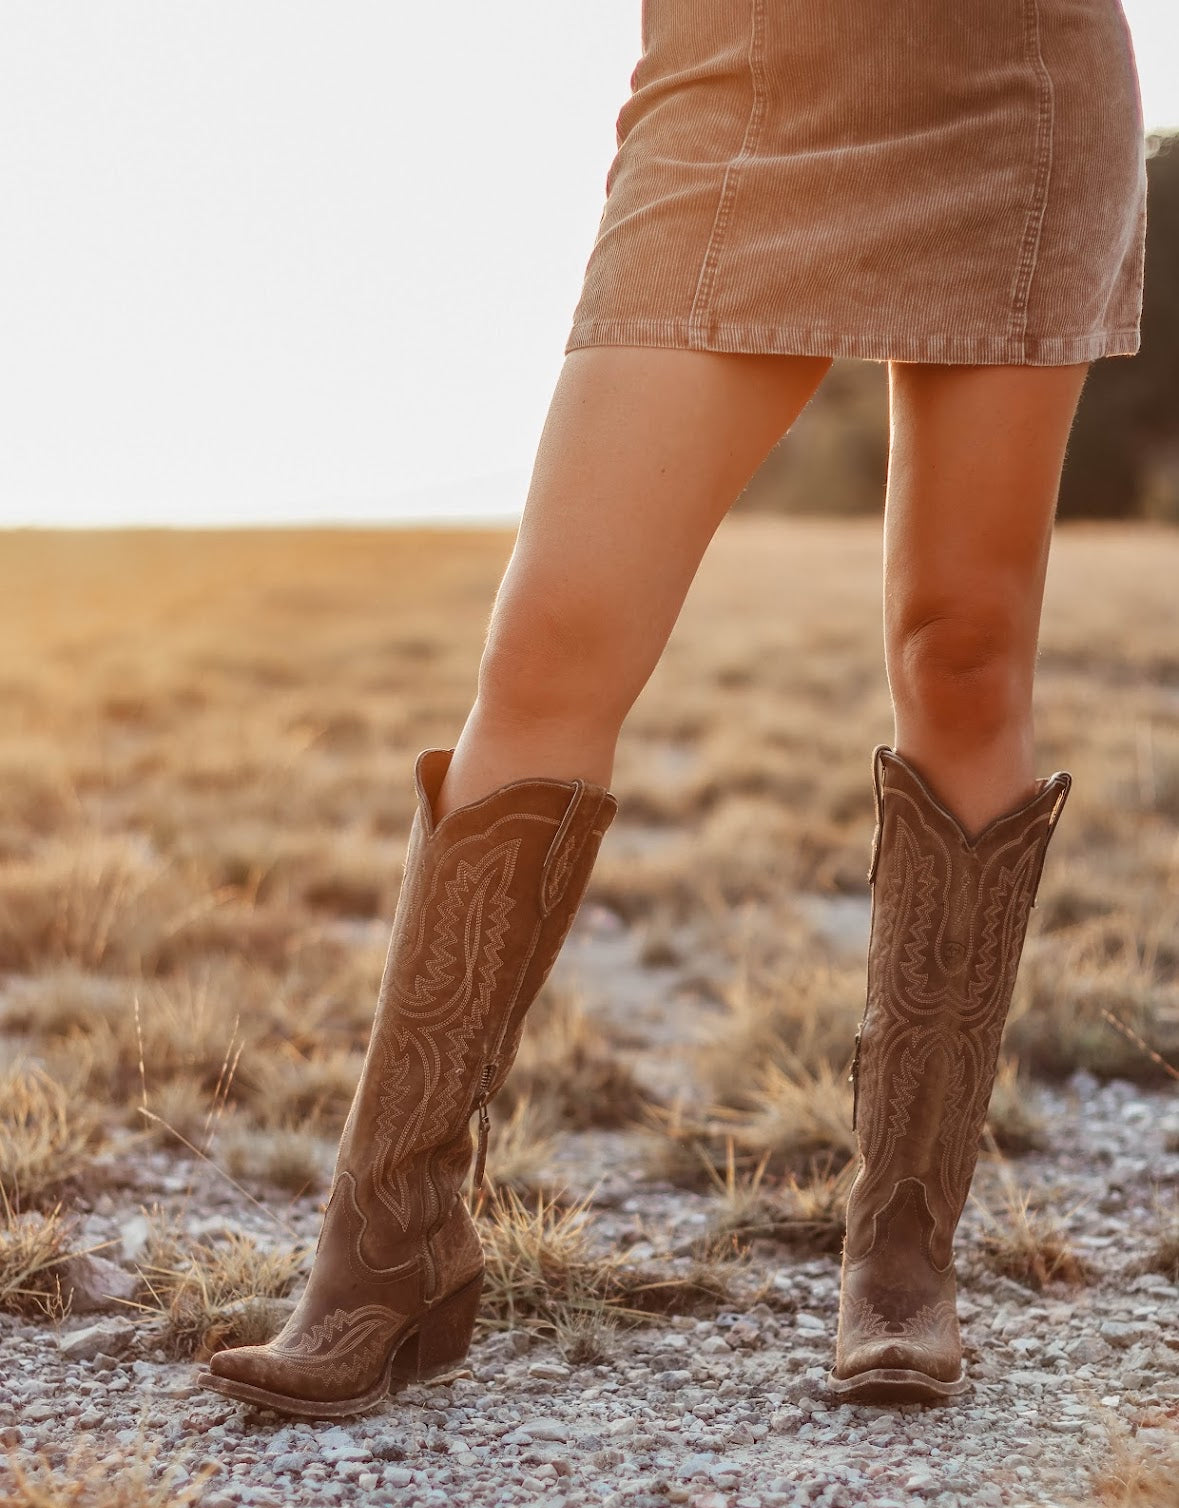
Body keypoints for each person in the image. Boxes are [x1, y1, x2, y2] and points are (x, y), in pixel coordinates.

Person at [197, 0, 1147, 1415]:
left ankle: (900, 1250)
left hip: (1011, 81)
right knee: (555, 637)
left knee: (963, 645)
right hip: (739, 78)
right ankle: (385, 1242)